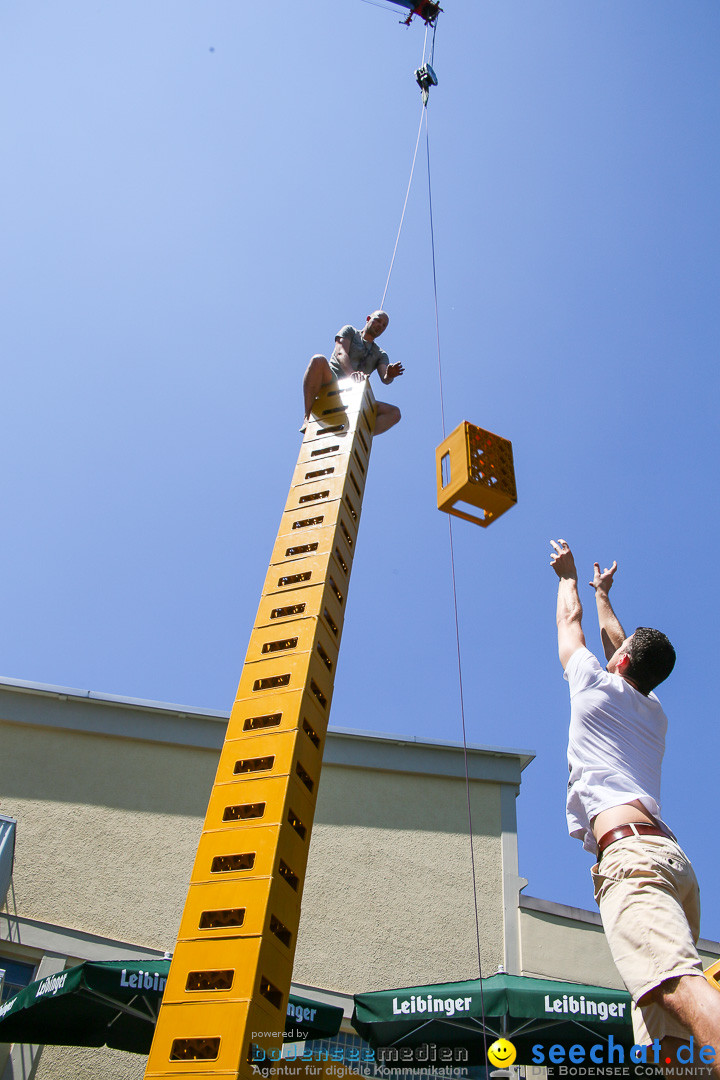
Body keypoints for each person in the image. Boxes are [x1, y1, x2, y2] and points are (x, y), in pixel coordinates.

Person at [550, 538, 720, 1074]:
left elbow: (573, 624)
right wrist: (601, 594)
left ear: (619, 662)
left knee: (673, 983)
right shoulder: (653, 713)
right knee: (667, 1039)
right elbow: (615, 642)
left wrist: (568, 577)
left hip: (634, 861)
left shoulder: (593, 686)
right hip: (670, 861)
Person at [302, 311, 405, 436]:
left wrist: (389, 374)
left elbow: (385, 378)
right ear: (368, 318)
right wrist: (352, 374)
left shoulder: (380, 353)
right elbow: (340, 352)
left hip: (354, 396)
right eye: (378, 320)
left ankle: (358, 434)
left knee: (394, 413)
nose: (380, 326)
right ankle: (308, 417)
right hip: (332, 381)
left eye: (384, 325)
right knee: (317, 360)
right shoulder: (350, 331)